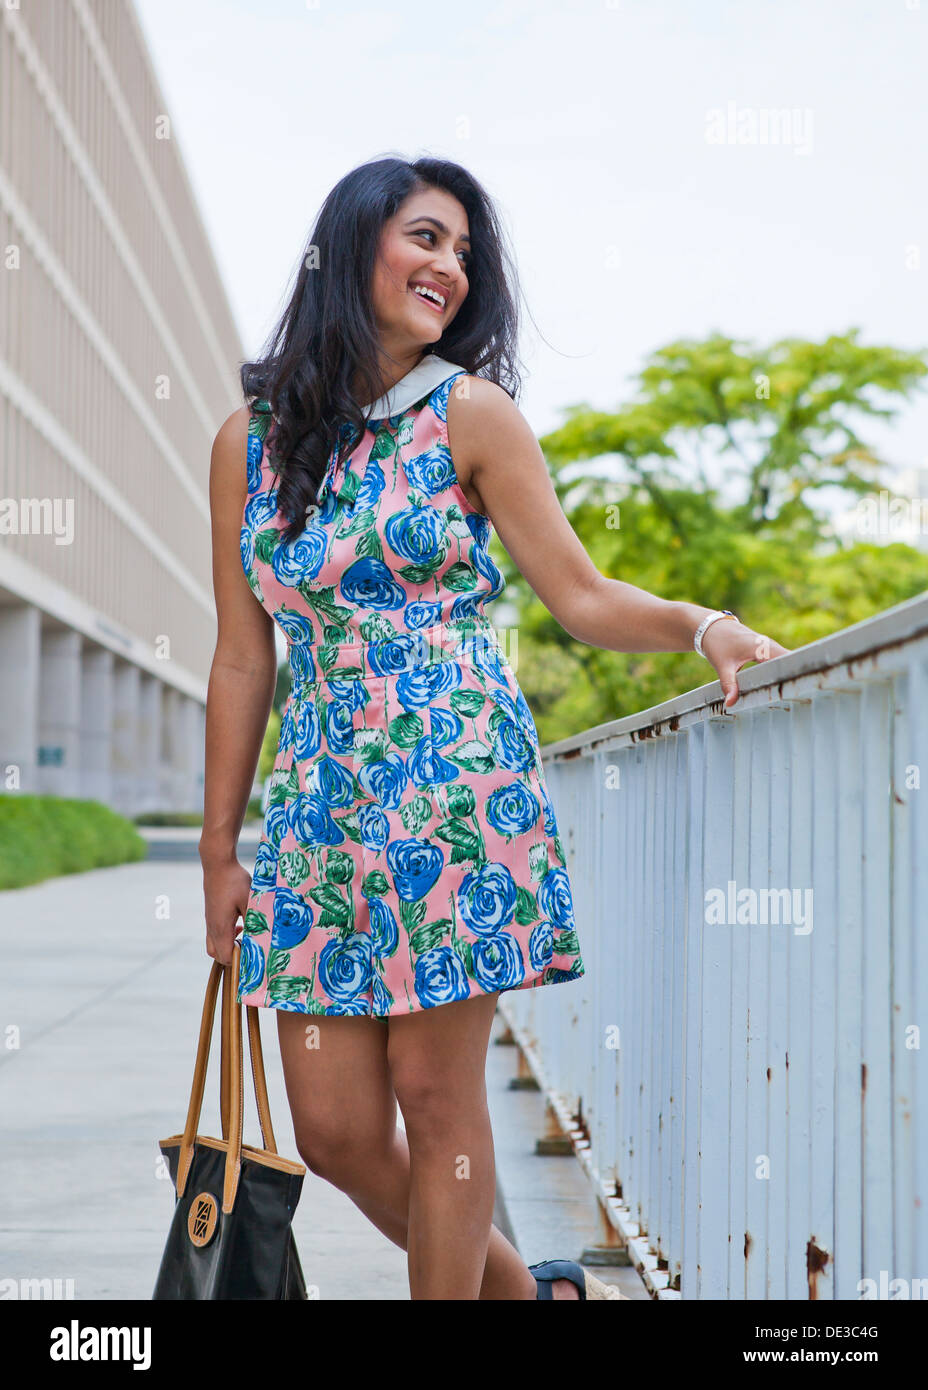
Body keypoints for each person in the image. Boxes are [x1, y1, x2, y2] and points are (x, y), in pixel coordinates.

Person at [199, 154, 789, 1301]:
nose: (450, 269)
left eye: (464, 253)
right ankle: (538, 1297)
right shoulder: (247, 443)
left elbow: (578, 593)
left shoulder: (472, 414)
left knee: (436, 1098)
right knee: (334, 1132)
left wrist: (699, 621)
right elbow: (239, 653)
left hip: (459, 792)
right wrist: (220, 850)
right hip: (315, 812)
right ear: (354, 241)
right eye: (427, 238)